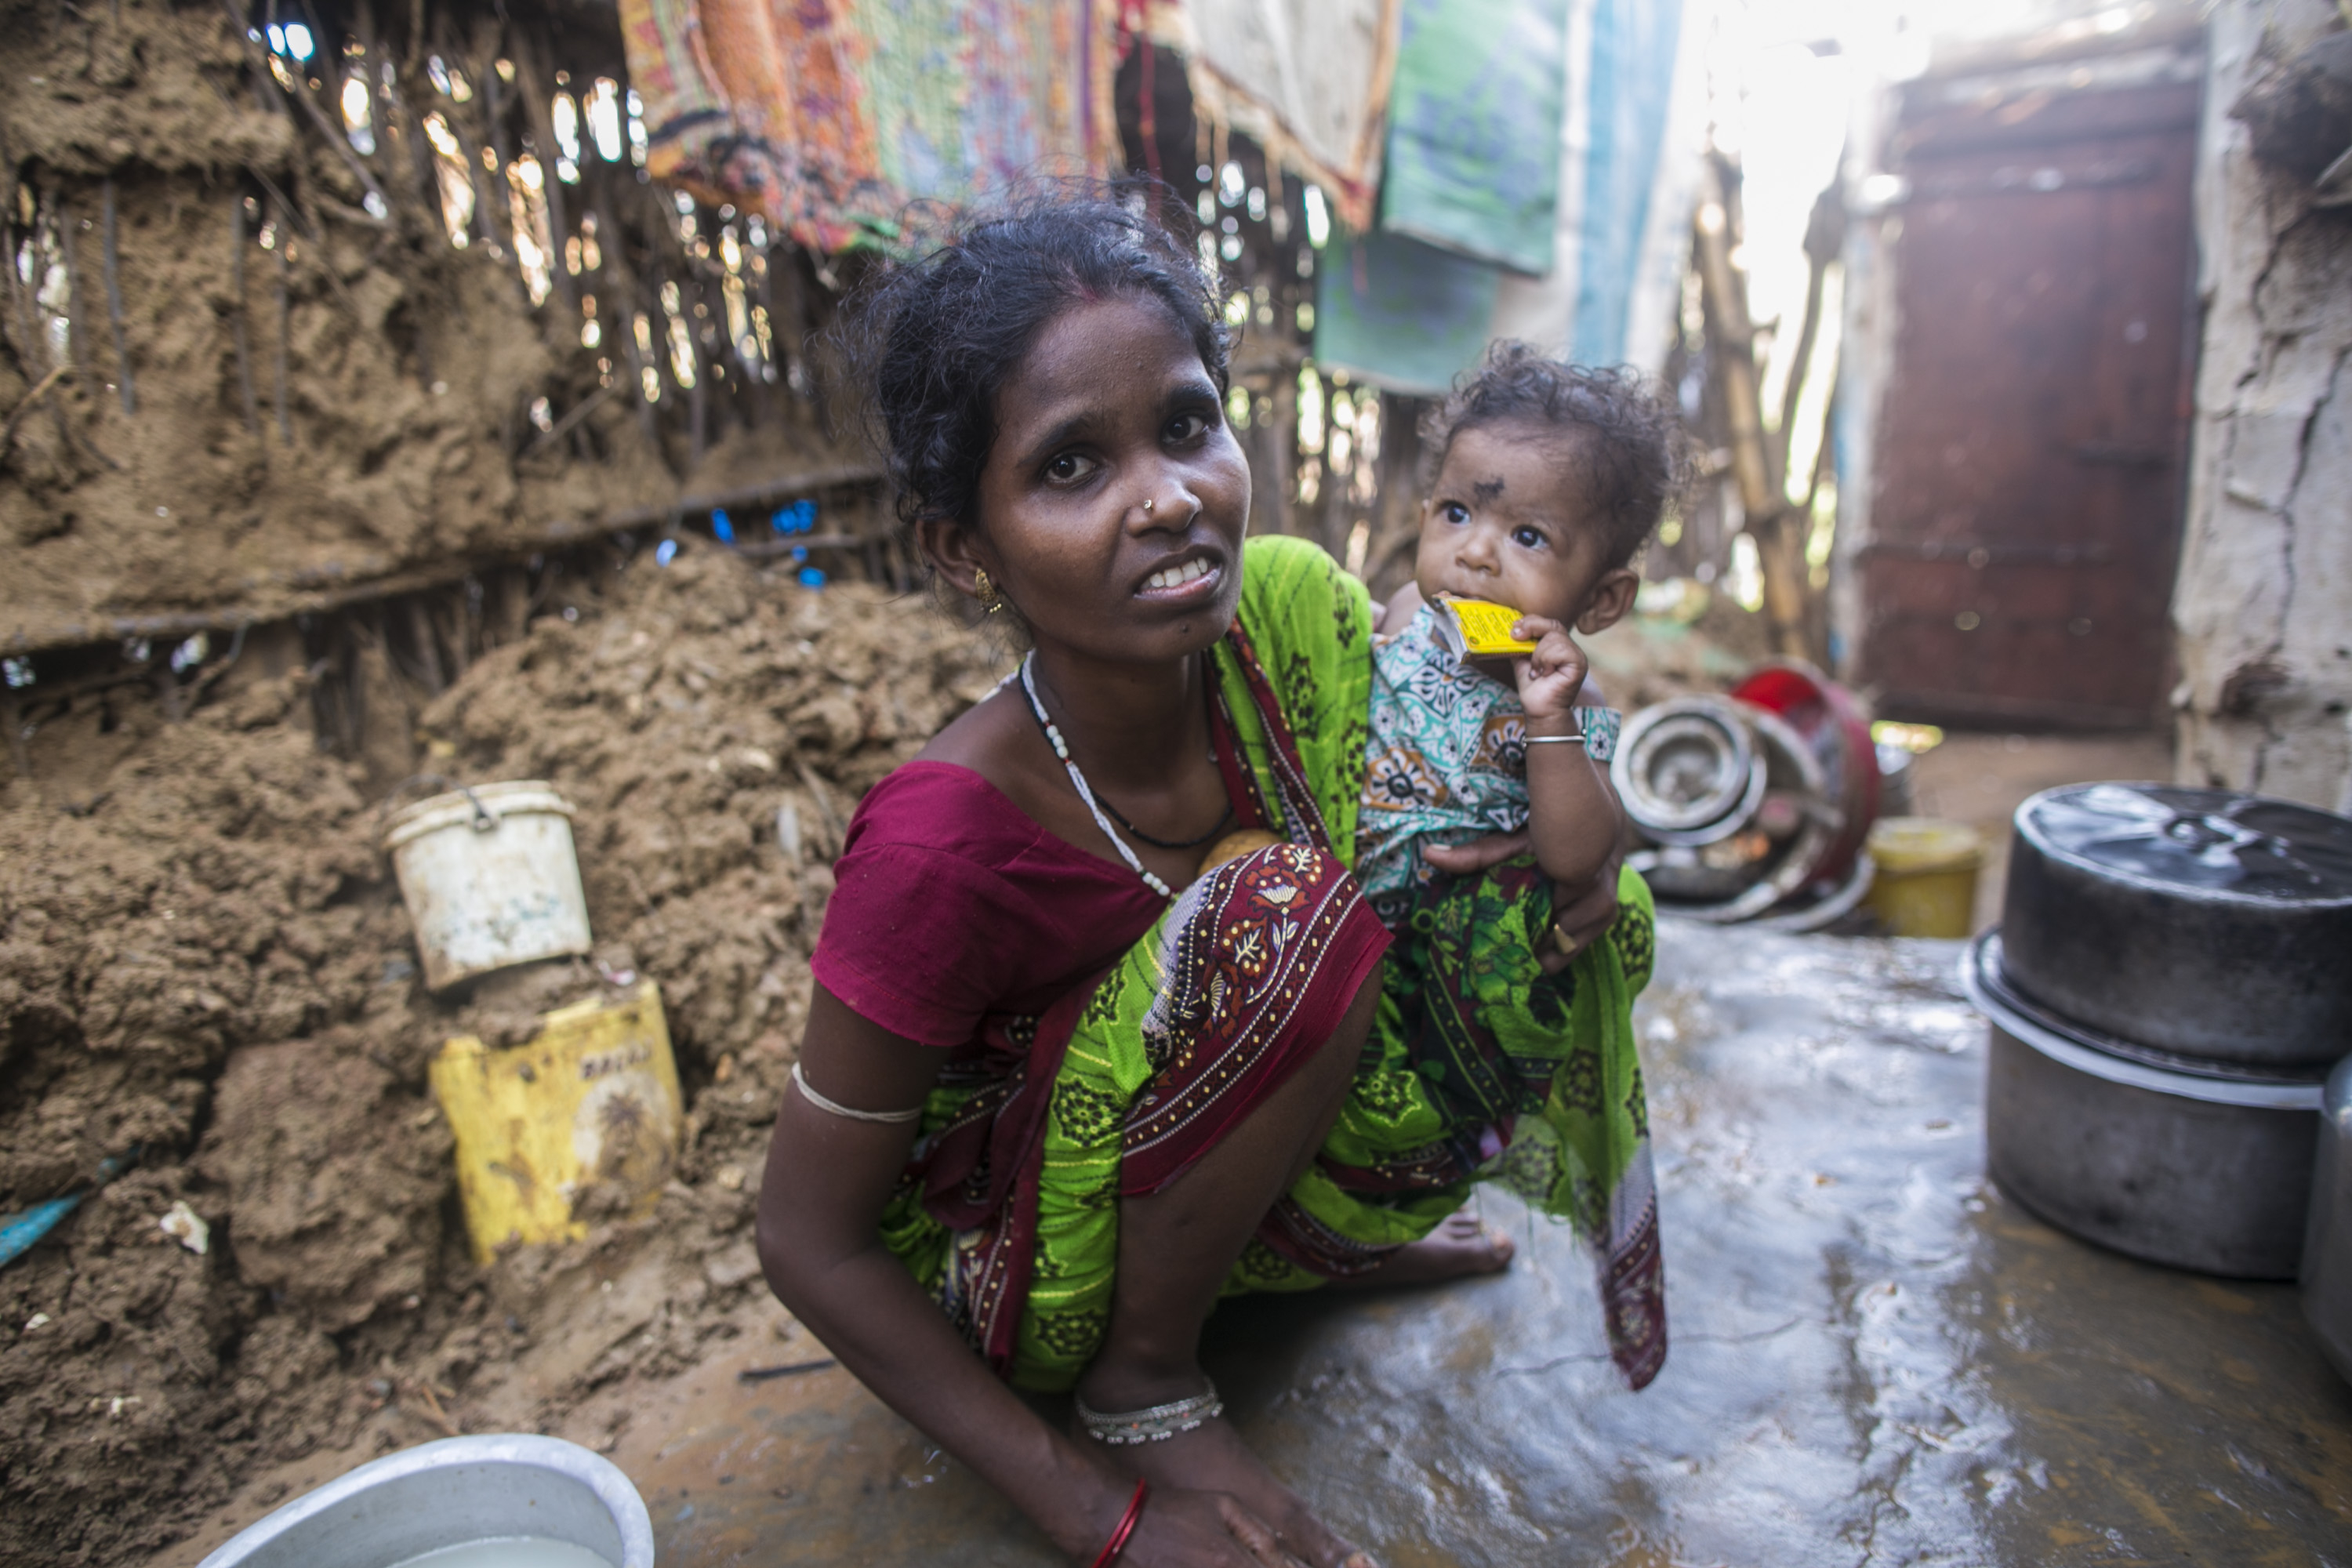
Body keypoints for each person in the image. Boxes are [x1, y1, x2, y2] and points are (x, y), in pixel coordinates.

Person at [753, 192, 1646, 1568]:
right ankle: (1143, 1377)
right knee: (1284, 917)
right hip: (1008, 1264)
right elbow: (807, 1242)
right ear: (962, 549)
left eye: (1183, 427)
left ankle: (1296, 1228)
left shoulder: (1284, 622)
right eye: (1069, 467)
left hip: (1191, 1160)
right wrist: (1100, 1524)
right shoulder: (939, 846)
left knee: (1538, 903)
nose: (1168, 495)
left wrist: (1583, 845)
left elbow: (1495, 757)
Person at [1356, 343, 1687, 1399]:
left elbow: (1578, 856)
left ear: (1602, 598)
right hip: (1344, 923)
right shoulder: (1401, 622)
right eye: (1457, 513)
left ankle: (1377, 1234)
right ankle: (1334, 1239)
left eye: (1528, 535)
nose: (1478, 556)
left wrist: (1547, 725)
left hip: (1451, 963)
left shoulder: (1566, 704)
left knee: (1418, 1127)